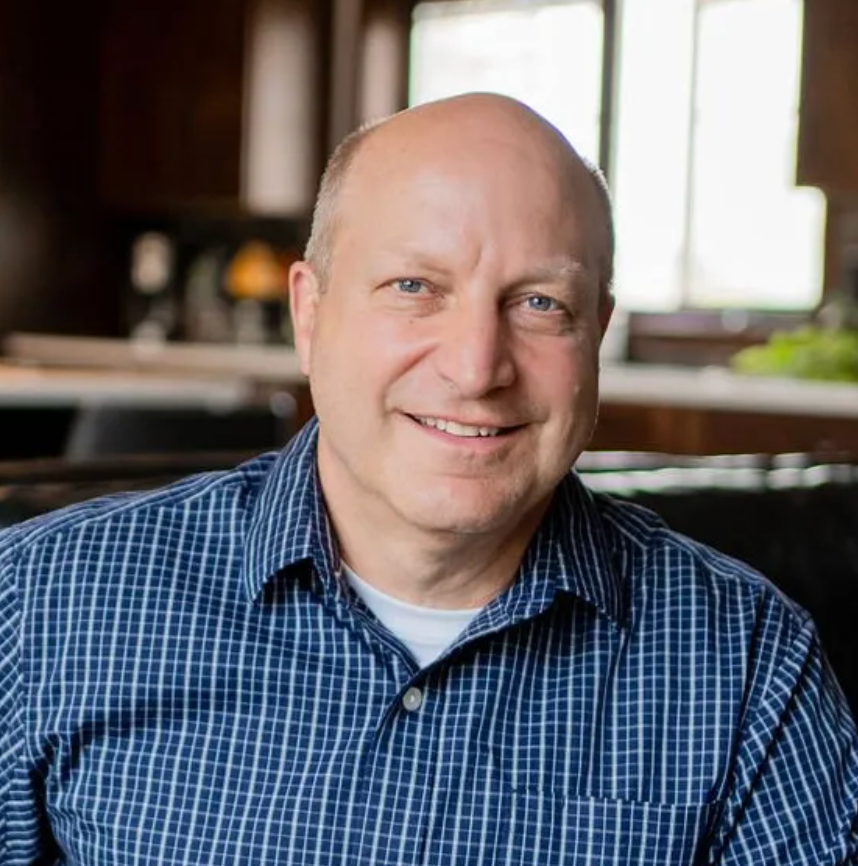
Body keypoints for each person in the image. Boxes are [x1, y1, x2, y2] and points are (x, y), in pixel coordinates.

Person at [0, 93, 856, 865]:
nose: (477, 366)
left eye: (540, 305)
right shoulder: (44, 603)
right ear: (310, 315)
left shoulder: (746, 668)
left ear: (595, 333)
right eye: (414, 286)